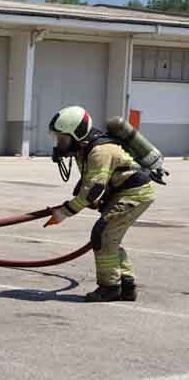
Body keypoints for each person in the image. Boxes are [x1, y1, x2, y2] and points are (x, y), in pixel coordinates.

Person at [46, 106, 156, 302]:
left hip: (135, 193)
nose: (59, 144)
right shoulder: (83, 149)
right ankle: (127, 285)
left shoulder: (100, 151)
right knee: (111, 238)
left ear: (77, 134)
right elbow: (91, 184)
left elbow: (93, 190)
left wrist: (63, 213)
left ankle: (109, 287)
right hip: (121, 192)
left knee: (103, 235)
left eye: (62, 139)